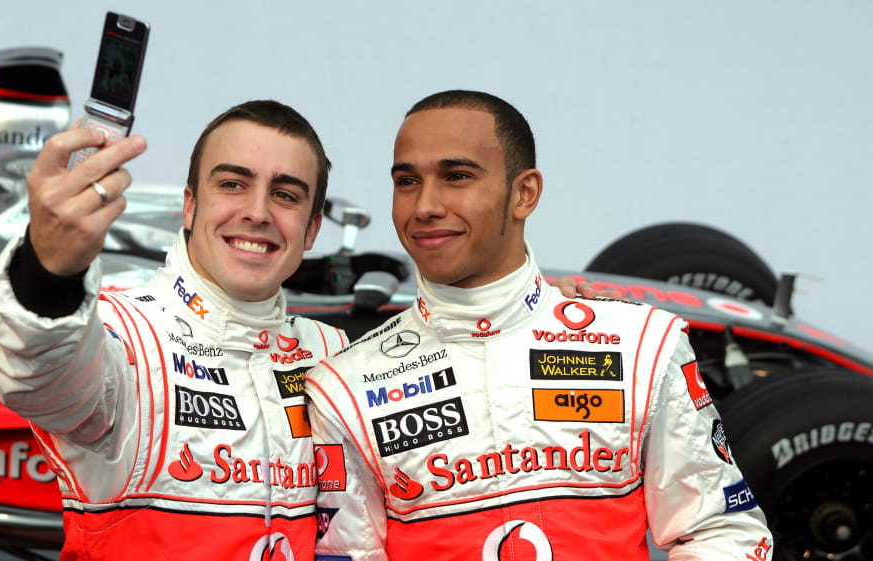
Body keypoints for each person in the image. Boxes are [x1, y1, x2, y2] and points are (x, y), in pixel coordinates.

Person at [305, 90, 773, 560]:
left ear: (523, 193)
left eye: (457, 176)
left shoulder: (641, 345)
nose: (424, 205)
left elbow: (722, 531)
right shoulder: (345, 386)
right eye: (407, 181)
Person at [0, 100, 348, 560]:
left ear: (312, 229)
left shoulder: (333, 353)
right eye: (232, 184)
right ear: (189, 206)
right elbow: (40, 374)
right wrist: (49, 270)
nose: (258, 212)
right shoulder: (121, 333)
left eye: (286, 195)